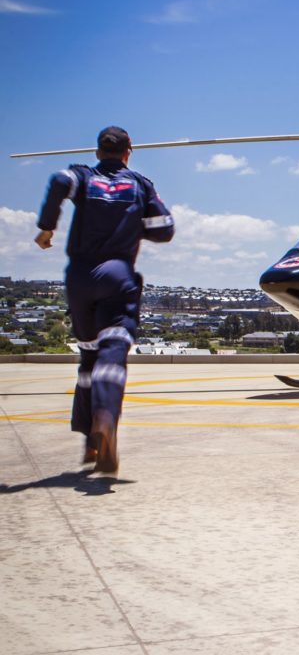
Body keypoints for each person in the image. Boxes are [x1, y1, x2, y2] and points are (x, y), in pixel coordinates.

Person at [35, 126, 175, 473]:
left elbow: (58, 180)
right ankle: (105, 419)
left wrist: (47, 227)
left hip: (79, 277)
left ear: (98, 152)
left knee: (89, 356)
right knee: (113, 350)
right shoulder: (140, 184)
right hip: (117, 275)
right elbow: (165, 229)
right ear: (129, 151)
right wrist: (133, 225)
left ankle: (90, 441)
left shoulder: (83, 177)